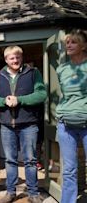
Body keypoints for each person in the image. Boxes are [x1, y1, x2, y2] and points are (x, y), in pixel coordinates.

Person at [0, 46, 47, 203]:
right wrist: (4, 101)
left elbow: (41, 94)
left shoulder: (33, 73)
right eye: (11, 58)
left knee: (30, 160)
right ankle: (10, 192)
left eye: (17, 57)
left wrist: (20, 100)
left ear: (21, 58)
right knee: (10, 160)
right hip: (7, 125)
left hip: (29, 124)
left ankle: (33, 193)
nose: (15, 60)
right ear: (6, 60)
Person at [55, 29, 87, 203]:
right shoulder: (62, 69)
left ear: (83, 46)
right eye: (67, 42)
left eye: (73, 42)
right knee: (69, 169)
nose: (69, 45)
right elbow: (64, 95)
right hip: (65, 123)